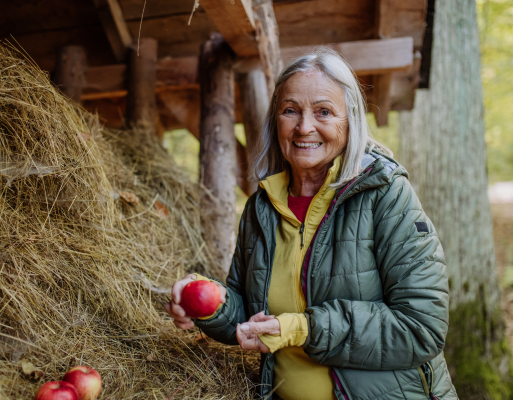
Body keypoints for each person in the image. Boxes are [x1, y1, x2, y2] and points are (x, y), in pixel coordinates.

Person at [164, 47, 459, 400]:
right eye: (291, 110)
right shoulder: (262, 206)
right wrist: (207, 305)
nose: (305, 127)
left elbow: (421, 328)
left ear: (350, 121)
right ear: (276, 120)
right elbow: (249, 316)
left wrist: (303, 329)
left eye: (323, 111)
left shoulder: (386, 195)